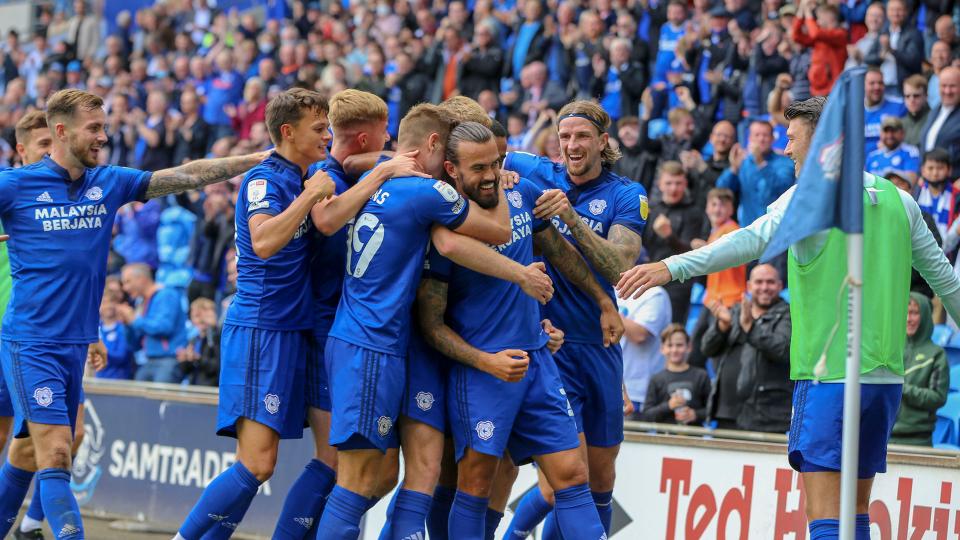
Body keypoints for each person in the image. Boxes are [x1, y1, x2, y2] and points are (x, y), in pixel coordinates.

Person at [617, 95, 960, 540]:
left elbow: (748, 240)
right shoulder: (900, 200)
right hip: (884, 382)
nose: (785, 148)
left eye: (792, 137)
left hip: (829, 375)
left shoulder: (811, 198)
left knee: (823, 519)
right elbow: (947, 283)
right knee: (855, 513)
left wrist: (671, 266)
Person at [0, 88, 266, 539]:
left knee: (36, 453)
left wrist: (256, 158)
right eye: (95, 128)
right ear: (61, 131)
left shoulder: (110, 181)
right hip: (31, 341)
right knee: (57, 451)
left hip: (74, 344)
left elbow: (187, 174)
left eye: (104, 127)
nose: (104, 136)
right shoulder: (15, 185)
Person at [315, 104, 513, 539]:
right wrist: (499, 183)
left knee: (393, 472)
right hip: (371, 343)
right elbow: (499, 231)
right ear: (433, 144)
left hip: (374, 339)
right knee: (356, 479)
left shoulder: (382, 181)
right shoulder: (428, 191)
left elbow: (356, 164)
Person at [418, 121, 614, 540]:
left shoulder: (520, 192)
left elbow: (562, 256)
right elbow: (431, 325)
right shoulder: (444, 224)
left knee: (573, 474)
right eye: (478, 168)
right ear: (452, 169)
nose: (490, 175)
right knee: (475, 483)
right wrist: (484, 360)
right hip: (484, 372)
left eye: (496, 163)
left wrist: (600, 300)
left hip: (539, 362)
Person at [174, 88, 341, 540]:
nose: (328, 136)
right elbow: (265, 242)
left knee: (285, 465)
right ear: (287, 133)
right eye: (319, 129)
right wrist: (310, 198)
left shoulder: (307, 173)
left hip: (296, 329)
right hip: (262, 329)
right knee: (256, 464)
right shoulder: (264, 180)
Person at [502, 100, 646, 538]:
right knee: (566, 479)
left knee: (601, 481)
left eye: (582, 136)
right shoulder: (535, 170)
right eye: (565, 137)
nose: (571, 145)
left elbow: (619, 266)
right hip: (552, 346)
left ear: (604, 142)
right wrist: (497, 173)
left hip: (600, 347)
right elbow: (472, 145)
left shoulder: (626, 194)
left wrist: (570, 216)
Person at [702, 264, 792, 433]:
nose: (764, 288)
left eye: (770, 282)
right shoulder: (735, 311)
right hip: (727, 412)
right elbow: (707, 349)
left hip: (766, 417)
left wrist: (750, 327)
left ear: (780, 286)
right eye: (759, 282)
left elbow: (783, 350)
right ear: (749, 286)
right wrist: (722, 326)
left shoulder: (789, 314)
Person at [643, 162, 706, 323]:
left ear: (685, 184)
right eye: (669, 183)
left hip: (678, 281)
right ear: (660, 184)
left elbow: (689, 252)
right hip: (650, 277)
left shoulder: (694, 212)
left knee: (672, 330)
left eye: (678, 183)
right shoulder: (652, 209)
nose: (673, 188)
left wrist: (669, 236)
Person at [890, 293, 950, 446]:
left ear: (924, 316)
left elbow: (937, 397)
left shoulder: (936, 354)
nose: (909, 319)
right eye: (906, 313)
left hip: (918, 441)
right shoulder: (892, 350)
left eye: (915, 313)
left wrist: (902, 388)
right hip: (886, 438)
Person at [116, 262, 188, 384]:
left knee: (160, 401)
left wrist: (134, 319)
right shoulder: (141, 303)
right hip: (148, 361)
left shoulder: (166, 295)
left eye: (128, 282)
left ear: (142, 279)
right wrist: (127, 324)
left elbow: (164, 328)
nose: (125, 288)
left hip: (168, 360)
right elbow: (135, 345)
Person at [718, 120, 795, 228]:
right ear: (749, 139)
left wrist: (761, 164)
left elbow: (783, 188)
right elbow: (721, 190)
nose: (761, 139)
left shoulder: (785, 163)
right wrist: (734, 168)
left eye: (765, 135)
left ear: (772, 139)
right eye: (757, 135)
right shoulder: (744, 163)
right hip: (748, 229)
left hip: (776, 229)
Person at [639, 325, 711, 425]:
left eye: (679, 345)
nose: (674, 350)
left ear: (689, 347)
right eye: (670, 345)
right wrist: (668, 406)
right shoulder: (656, 379)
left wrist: (695, 414)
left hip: (694, 438)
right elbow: (646, 415)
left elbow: (712, 410)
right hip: (664, 438)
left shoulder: (701, 376)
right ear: (662, 348)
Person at [618, 285, 672, 415]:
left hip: (640, 393)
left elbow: (639, 334)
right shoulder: (607, 291)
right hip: (612, 388)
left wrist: (606, 308)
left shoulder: (654, 294)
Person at [791, 0, 847, 96]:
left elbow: (815, 33)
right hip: (816, 90)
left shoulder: (840, 34)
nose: (817, 21)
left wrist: (808, 14)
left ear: (830, 18)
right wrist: (802, 10)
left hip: (832, 90)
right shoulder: (819, 39)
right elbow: (796, 36)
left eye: (819, 18)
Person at [921, 66, 960, 172]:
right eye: (944, 86)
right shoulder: (935, 111)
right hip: (930, 182)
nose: (947, 91)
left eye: (952, 86)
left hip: (954, 183)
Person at [863, 67, 908, 155]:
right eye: (872, 83)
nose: (877, 87)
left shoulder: (899, 106)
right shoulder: (854, 111)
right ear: (863, 85)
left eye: (880, 83)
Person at [177, 297, 221, 387]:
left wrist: (198, 359)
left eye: (204, 316)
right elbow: (187, 371)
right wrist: (184, 360)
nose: (200, 320)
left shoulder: (218, 337)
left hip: (211, 389)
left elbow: (217, 367)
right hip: (194, 387)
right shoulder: (194, 339)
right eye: (196, 316)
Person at [914, 148, 956, 239]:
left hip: (950, 250)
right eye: (930, 168)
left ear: (949, 170)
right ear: (923, 170)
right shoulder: (915, 193)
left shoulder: (957, 196)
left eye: (940, 168)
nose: (935, 173)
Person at [865, 117, 921, 183]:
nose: (889, 135)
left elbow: (910, 183)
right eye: (886, 131)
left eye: (893, 131)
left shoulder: (911, 153)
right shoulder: (872, 156)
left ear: (902, 133)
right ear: (881, 134)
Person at [901, 75, 931, 148]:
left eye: (916, 96)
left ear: (926, 96)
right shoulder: (901, 123)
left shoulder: (933, 120)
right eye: (907, 96)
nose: (912, 100)